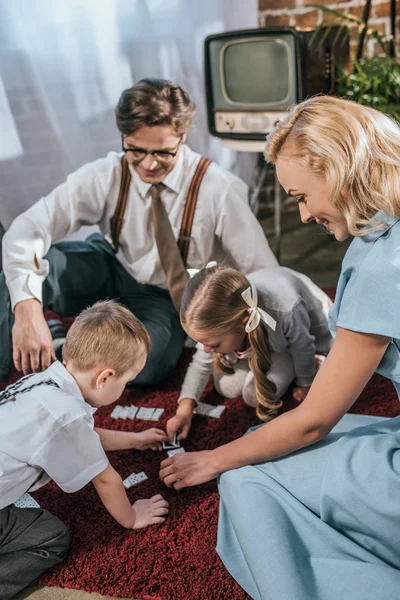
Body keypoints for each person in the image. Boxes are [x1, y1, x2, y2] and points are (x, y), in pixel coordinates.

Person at [159, 95, 400, 600]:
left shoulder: (380, 264)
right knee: (270, 437)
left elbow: (313, 420)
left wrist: (213, 459)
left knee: (246, 479)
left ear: (340, 170)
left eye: (301, 196)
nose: (305, 211)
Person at [0, 78, 278, 385]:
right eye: (136, 150)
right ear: (124, 137)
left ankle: (65, 348)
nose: (147, 164)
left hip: (168, 296)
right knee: (24, 273)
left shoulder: (220, 188)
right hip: (112, 267)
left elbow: (262, 271)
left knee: (148, 364)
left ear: (182, 136)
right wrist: (27, 308)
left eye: (162, 153)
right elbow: (26, 228)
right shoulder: (106, 174)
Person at [0, 300, 169, 600]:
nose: (126, 387)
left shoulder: (44, 382)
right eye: (128, 380)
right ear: (104, 378)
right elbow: (105, 479)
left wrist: (135, 439)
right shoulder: (67, 415)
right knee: (51, 537)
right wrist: (131, 516)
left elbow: (81, 437)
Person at [166, 264, 332, 442]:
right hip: (260, 335)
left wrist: (305, 381)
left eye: (213, 344)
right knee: (225, 386)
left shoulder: (285, 310)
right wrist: (184, 409)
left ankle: (311, 363)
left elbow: (303, 347)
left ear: (245, 323)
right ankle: (249, 354)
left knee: (255, 396)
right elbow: (200, 362)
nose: (206, 349)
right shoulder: (227, 315)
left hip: (299, 341)